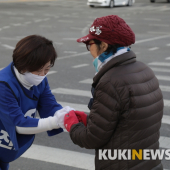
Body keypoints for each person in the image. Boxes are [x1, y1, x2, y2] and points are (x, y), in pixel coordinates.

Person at [0, 35, 74, 170]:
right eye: (38, 69)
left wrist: (66, 114)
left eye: (47, 68)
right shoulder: (1, 85)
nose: (42, 75)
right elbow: (19, 125)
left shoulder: (40, 80)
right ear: (23, 65)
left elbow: (49, 105)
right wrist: (56, 122)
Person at [64, 15, 164, 170]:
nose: (89, 49)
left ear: (103, 46)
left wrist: (72, 125)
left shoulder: (110, 81)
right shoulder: (145, 70)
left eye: (90, 44)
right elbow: (127, 121)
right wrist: (90, 120)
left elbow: (91, 139)